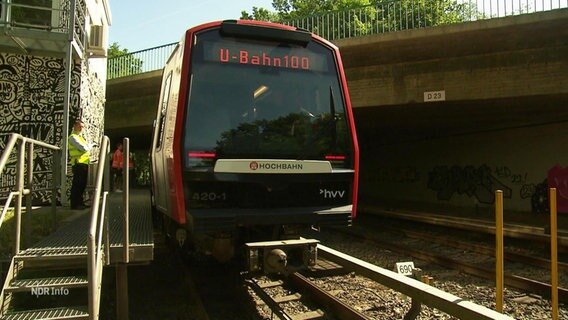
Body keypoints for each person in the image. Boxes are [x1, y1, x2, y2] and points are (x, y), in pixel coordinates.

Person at [68, 120, 94, 210]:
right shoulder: (73, 137)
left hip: (83, 163)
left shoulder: (80, 138)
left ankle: (80, 203)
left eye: (82, 127)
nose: (81, 128)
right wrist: (89, 146)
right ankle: (75, 204)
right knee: (77, 184)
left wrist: (87, 147)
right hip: (78, 163)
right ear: (74, 126)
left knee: (82, 184)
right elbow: (84, 148)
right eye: (80, 126)